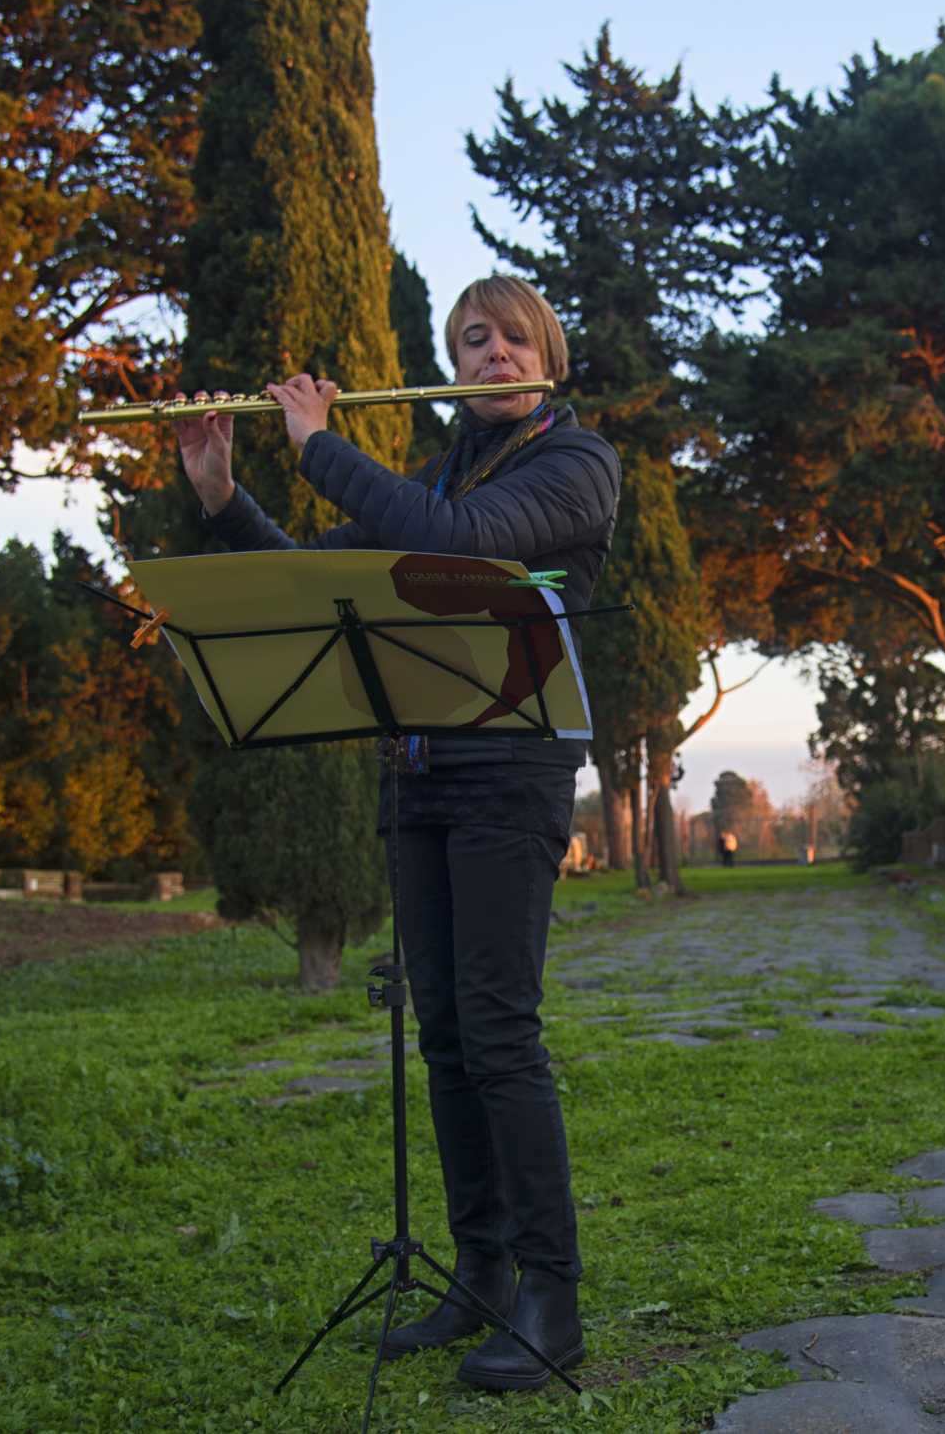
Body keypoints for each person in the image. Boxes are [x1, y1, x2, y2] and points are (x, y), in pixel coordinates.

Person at [174, 275, 620, 1392]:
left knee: (502, 1030)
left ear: (546, 353)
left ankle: (551, 1297)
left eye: (515, 337)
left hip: (512, 772)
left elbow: (459, 542)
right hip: (420, 775)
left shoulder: (575, 466)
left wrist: (320, 440)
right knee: (447, 1036)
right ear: (453, 364)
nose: (494, 353)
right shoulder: (437, 472)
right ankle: (477, 1275)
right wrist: (223, 494)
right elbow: (308, 579)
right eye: (474, 340)